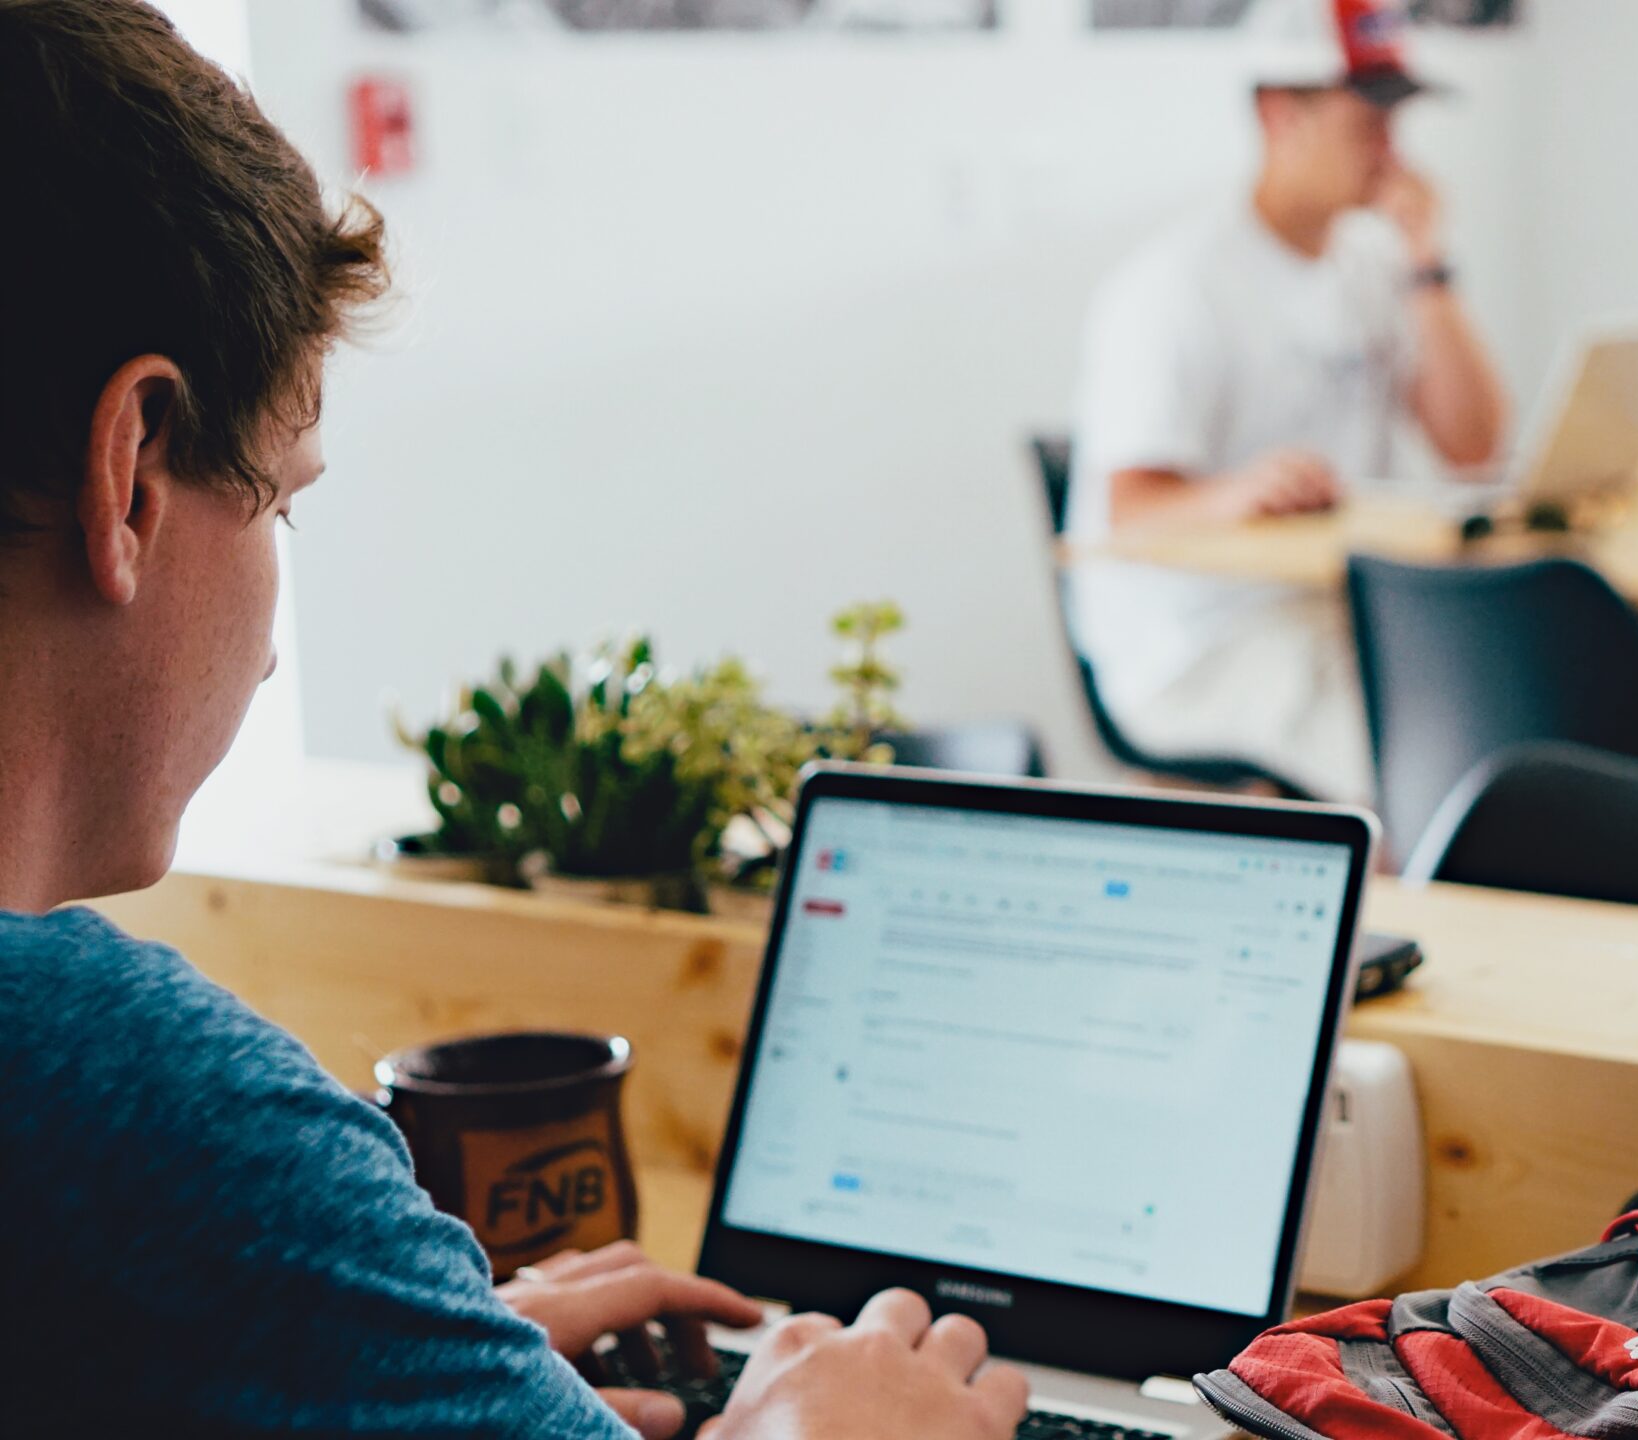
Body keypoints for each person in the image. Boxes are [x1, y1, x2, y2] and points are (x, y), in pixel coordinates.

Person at [0, 4, 1026, 1436]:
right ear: (134, 473)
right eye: (280, 500)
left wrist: (391, 1339)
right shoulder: (136, 1101)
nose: (276, 654)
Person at [1066, 0, 1508, 803]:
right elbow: (1127, 513)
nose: (1389, 151)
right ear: (1281, 116)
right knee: (1425, 757)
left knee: (1519, 686)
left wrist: (1429, 268)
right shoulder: (1173, 288)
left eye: (1395, 124)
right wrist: (1237, 494)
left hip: (1339, 609)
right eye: (1365, 124)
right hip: (1201, 643)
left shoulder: (1374, 265)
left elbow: (1474, 444)